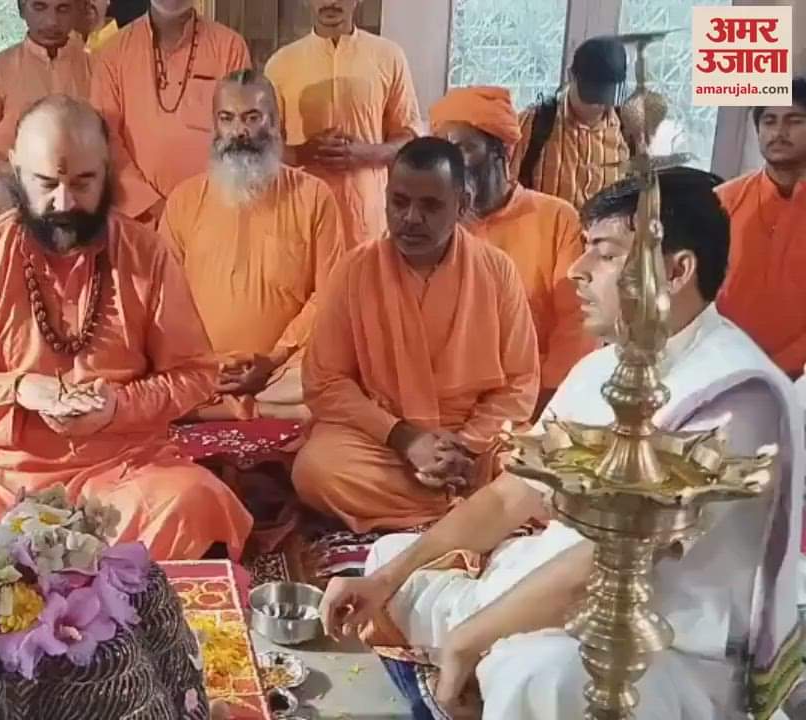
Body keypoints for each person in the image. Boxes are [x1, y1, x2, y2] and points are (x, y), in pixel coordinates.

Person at [320, 168, 803, 720]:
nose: (576, 271)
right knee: (384, 562)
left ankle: (485, 658)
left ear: (675, 271)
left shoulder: (738, 397)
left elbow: (609, 566)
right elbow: (509, 497)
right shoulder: (607, 365)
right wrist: (385, 580)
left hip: (672, 651)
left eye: (604, 252)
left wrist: (470, 638)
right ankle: (480, 648)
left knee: (537, 672)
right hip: (559, 583)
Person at [0, 95, 252, 561]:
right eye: (46, 183)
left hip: (120, 473)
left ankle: (32, 571)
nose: (64, 202)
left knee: (191, 500)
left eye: (83, 182)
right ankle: (79, 571)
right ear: (16, 172)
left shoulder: (148, 255)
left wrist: (117, 407)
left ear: (109, 171)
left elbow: (194, 374)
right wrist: (22, 390)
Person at [290, 137, 541, 534]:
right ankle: (475, 511)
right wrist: (407, 441)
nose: (410, 218)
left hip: (475, 446)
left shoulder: (497, 271)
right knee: (315, 469)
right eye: (400, 202)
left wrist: (464, 445)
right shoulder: (354, 271)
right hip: (386, 442)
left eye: (430, 206)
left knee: (534, 468)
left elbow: (520, 383)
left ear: (461, 205)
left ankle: (461, 502)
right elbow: (326, 382)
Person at [158, 70, 344, 422]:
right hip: (203, 368)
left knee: (328, 384)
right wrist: (205, 362)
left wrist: (274, 358)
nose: (239, 132)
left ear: (276, 123)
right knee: (143, 381)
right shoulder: (184, 200)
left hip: (283, 371)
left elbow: (329, 294)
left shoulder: (313, 196)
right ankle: (240, 409)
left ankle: (229, 410)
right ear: (215, 126)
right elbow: (163, 296)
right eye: (227, 119)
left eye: (252, 118)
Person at [431, 85, 596, 412]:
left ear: (502, 152)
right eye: (443, 151)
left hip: (535, 400)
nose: (452, 164)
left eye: (464, 148)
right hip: (443, 402)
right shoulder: (433, 223)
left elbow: (577, 326)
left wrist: (540, 404)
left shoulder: (556, 218)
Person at [265, 0, 420, 245]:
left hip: (367, 219)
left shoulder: (389, 56)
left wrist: (367, 153)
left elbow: (410, 139)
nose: (330, 3)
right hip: (301, 215)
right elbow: (264, 147)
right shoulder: (280, 64)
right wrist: (303, 153)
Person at [91, 0, 251, 224]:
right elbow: (105, 140)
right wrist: (156, 207)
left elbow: (239, 135)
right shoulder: (112, 54)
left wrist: (200, 212)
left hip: (212, 218)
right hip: (138, 221)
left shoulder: (229, 47)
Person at [512, 35, 682, 210]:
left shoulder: (630, 130)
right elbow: (504, 195)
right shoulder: (533, 125)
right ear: (571, 76)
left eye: (607, 96)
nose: (599, 105)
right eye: (591, 96)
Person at [716, 76, 805, 380]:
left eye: (794, 121)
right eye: (769, 121)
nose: (779, 132)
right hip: (722, 368)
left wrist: (777, 369)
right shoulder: (723, 201)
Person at [0, 0, 94, 185]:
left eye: (63, 9)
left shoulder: (97, 68)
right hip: (16, 197)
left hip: (84, 196)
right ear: (22, 9)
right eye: (39, 7)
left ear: (78, 10)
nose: (51, 21)